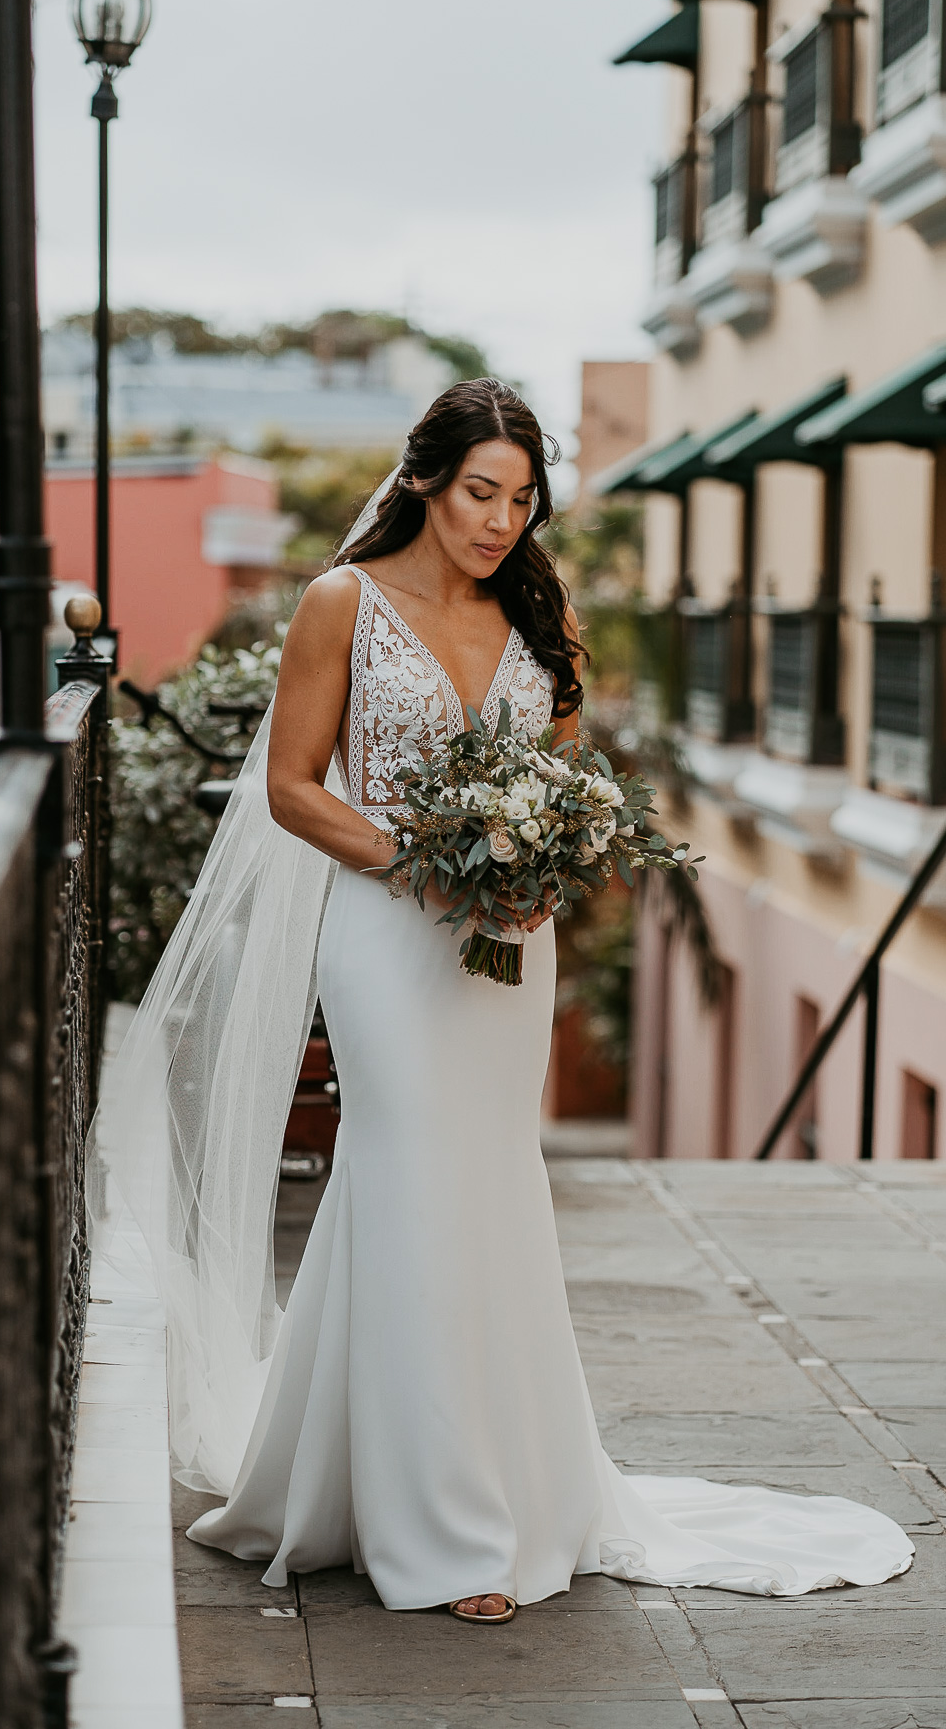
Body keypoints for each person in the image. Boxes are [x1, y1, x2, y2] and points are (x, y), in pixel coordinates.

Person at [96, 379, 913, 1622]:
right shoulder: (342, 603)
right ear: (426, 479)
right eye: (484, 492)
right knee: (414, 1175)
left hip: (503, 954)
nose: (501, 521)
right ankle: (452, 1530)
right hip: (385, 940)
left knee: (480, 1192)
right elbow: (291, 789)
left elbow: (568, 776)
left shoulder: (543, 618)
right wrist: (422, 864)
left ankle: (411, 1480)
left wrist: (551, 866)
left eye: (523, 500)